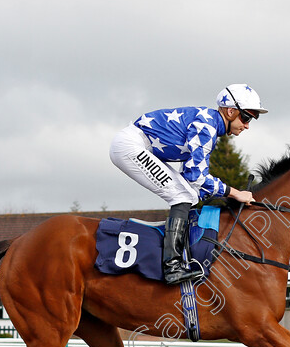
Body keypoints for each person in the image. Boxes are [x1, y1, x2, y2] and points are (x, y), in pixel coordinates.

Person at [109, 84, 266, 284]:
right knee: (182, 195)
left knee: (188, 194)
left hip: (136, 144)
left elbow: (192, 179)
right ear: (230, 111)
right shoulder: (207, 126)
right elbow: (196, 175)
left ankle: (179, 257)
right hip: (130, 146)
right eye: (246, 118)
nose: (247, 125)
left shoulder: (210, 124)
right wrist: (236, 193)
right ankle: (172, 267)